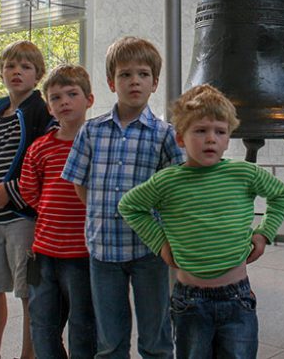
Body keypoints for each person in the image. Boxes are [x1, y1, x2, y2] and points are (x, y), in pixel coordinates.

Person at [119, 84, 284, 359]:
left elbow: (281, 195)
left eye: (219, 132)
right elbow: (130, 205)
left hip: (238, 298)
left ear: (228, 138)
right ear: (180, 138)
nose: (210, 139)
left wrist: (264, 233)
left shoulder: (243, 173)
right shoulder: (168, 181)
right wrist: (160, 244)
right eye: (200, 131)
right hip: (190, 301)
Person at [62, 36, 185, 359]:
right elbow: (79, 183)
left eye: (143, 74)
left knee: (156, 338)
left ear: (155, 82)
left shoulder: (165, 135)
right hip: (104, 249)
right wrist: (101, 213)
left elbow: (176, 191)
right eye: (125, 74)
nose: (134, 81)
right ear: (111, 82)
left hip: (150, 251)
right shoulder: (91, 131)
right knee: (110, 340)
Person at [0, 40, 52, 359]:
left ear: (38, 74)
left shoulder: (41, 111)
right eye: (10, 66)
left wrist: (12, 191)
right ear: (2, 72)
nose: (17, 72)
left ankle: (28, 356)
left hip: (24, 219)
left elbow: (46, 164)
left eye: (25, 67)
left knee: (28, 293)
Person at [19, 64, 97, 359]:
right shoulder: (40, 148)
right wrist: (51, 210)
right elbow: (29, 189)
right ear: (49, 107)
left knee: (83, 324)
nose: (63, 102)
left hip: (83, 255)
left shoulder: (98, 145)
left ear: (88, 100)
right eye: (55, 97)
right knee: (42, 323)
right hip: (44, 253)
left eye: (71, 94)